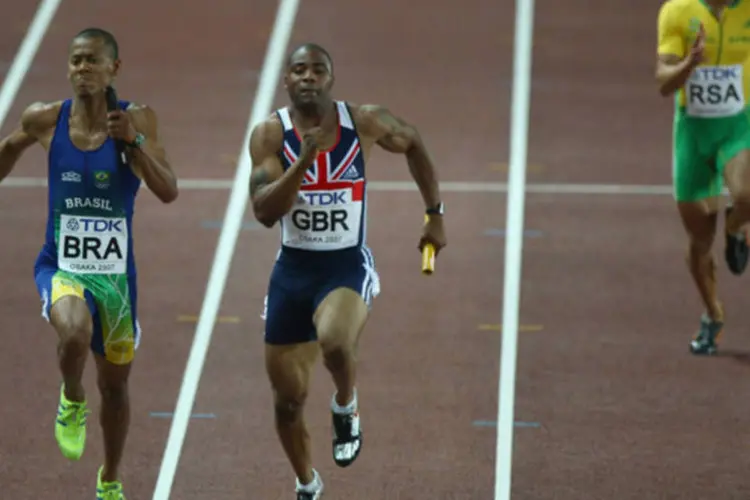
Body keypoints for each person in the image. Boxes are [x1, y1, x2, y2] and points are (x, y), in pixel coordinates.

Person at [248, 42, 447, 499]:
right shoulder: (269, 136)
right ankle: (307, 483)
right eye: (298, 70)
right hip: (293, 271)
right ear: (286, 80)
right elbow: (263, 212)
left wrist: (434, 212)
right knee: (287, 403)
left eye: (317, 70)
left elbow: (413, 139)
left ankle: (346, 405)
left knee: (336, 342)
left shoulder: (364, 122)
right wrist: (303, 160)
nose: (308, 77)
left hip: (344, 263)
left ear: (330, 79)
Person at [0, 27, 178, 498]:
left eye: (93, 61)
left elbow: (168, 190)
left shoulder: (137, 119)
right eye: (76, 60)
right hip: (61, 266)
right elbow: (11, 148)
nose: (83, 69)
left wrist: (134, 142)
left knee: (116, 390)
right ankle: (72, 397)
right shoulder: (45, 119)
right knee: (74, 331)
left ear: (113, 69)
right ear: (68, 67)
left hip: (117, 282)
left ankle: (110, 479)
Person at [656, 0, 750, 355]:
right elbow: (663, 84)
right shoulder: (677, 11)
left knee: (747, 195)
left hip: (739, 124)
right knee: (699, 239)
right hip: (694, 134)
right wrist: (689, 64)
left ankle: (736, 227)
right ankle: (713, 313)